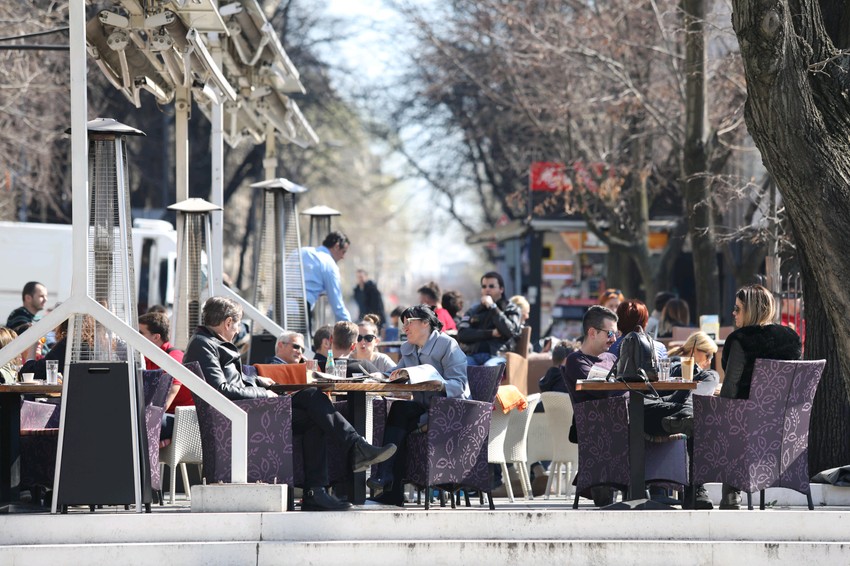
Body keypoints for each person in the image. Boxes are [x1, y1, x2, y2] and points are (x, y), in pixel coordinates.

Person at [182, 296, 396, 511]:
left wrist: (256, 379)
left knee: (313, 404)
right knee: (313, 398)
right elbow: (221, 390)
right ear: (228, 322)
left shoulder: (208, 341)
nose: (238, 330)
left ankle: (317, 491)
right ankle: (355, 449)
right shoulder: (204, 345)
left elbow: (230, 379)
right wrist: (265, 393)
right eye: (237, 324)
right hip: (244, 417)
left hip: (249, 412)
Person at [366, 305, 469, 506]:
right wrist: (383, 376)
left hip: (449, 411)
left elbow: (460, 384)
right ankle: (388, 485)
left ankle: (389, 486)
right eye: (403, 323)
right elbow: (396, 373)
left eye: (409, 322)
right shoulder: (410, 348)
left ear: (425, 323)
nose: (405, 327)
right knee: (399, 410)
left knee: (401, 417)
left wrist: (439, 383)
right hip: (424, 409)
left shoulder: (448, 345)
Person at [562, 305, 619, 506]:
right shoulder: (576, 361)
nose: (614, 339)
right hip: (598, 427)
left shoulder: (612, 358)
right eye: (610, 333)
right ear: (592, 333)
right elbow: (601, 390)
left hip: (622, 418)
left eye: (616, 333)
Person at [138, 312, 191, 439]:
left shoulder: (174, 358)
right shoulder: (145, 357)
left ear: (156, 337)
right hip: (163, 415)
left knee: (137, 424)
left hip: (182, 420)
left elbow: (167, 399)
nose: (136, 336)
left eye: (140, 333)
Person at [456, 271, 522, 366]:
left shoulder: (511, 308)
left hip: (498, 356)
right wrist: (491, 333)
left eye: (491, 286)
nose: (487, 289)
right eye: (484, 287)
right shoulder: (473, 310)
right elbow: (462, 334)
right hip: (473, 355)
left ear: (501, 289)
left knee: (488, 369)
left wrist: (493, 307)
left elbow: (510, 331)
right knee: (459, 366)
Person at [301, 231, 352, 323]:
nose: (343, 257)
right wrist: (349, 327)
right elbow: (337, 304)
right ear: (336, 246)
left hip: (276, 308)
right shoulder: (329, 264)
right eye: (343, 252)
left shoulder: (301, 251)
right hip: (300, 311)